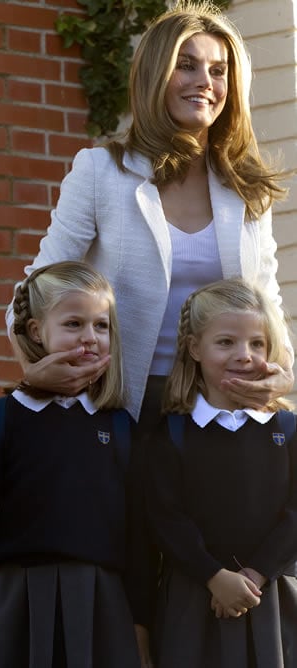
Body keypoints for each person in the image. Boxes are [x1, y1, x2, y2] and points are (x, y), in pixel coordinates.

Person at [6, 0, 294, 436]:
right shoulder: (100, 171)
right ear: (155, 74)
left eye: (219, 71)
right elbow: (38, 284)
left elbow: (266, 297)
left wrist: (285, 371)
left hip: (221, 408)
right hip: (121, 407)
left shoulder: (245, 188)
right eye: (187, 66)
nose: (205, 82)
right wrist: (35, 366)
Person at [0, 261, 154, 668]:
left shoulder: (122, 426)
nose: (90, 337)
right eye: (74, 323)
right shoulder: (4, 417)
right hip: (16, 601)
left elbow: (138, 535)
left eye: (101, 325)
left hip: (102, 603)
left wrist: (140, 623)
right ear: (37, 331)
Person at [146, 278, 297, 667]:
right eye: (226, 342)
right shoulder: (173, 433)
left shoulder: (287, 429)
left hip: (274, 598)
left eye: (257, 344)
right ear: (195, 348)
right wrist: (214, 576)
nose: (244, 355)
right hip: (195, 598)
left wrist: (256, 574)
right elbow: (164, 516)